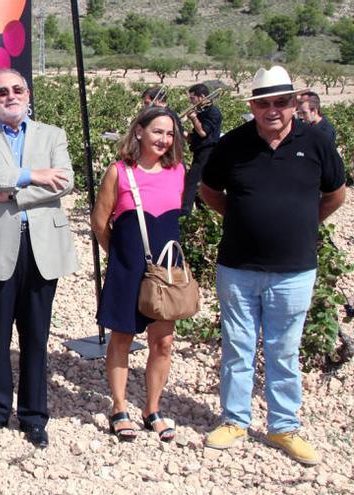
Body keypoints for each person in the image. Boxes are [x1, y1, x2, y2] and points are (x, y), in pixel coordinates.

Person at [200, 66, 345, 465]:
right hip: (238, 268)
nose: (273, 110)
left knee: (284, 351)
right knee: (237, 347)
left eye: (281, 102)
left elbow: (335, 193)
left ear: (294, 104)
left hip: (295, 270)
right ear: (253, 106)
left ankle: (283, 426)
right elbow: (209, 190)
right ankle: (234, 420)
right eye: (264, 103)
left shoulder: (316, 143)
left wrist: (302, 221)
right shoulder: (232, 144)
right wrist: (241, 216)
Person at [0, 68, 78, 448]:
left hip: (42, 247)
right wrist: (33, 174)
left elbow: (65, 180)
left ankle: (33, 416)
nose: (10, 96)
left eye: (16, 90)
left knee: (36, 335)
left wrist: (13, 192)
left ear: (27, 94)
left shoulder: (53, 134)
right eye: (1, 92)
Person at [91, 106, 185, 443]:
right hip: (128, 269)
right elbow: (100, 222)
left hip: (167, 273)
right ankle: (119, 407)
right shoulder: (119, 172)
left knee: (163, 342)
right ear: (140, 131)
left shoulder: (178, 171)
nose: (164, 139)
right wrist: (119, 258)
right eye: (158, 131)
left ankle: (152, 409)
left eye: (170, 133)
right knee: (122, 338)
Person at [182, 83, 221, 214]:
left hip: (208, 152)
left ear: (202, 97)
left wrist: (193, 118)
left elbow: (203, 132)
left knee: (191, 183)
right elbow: (196, 138)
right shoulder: (202, 112)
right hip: (199, 152)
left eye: (192, 98)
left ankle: (185, 214)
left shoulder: (213, 112)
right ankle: (202, 212)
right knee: (201, 185)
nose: (191, 101)